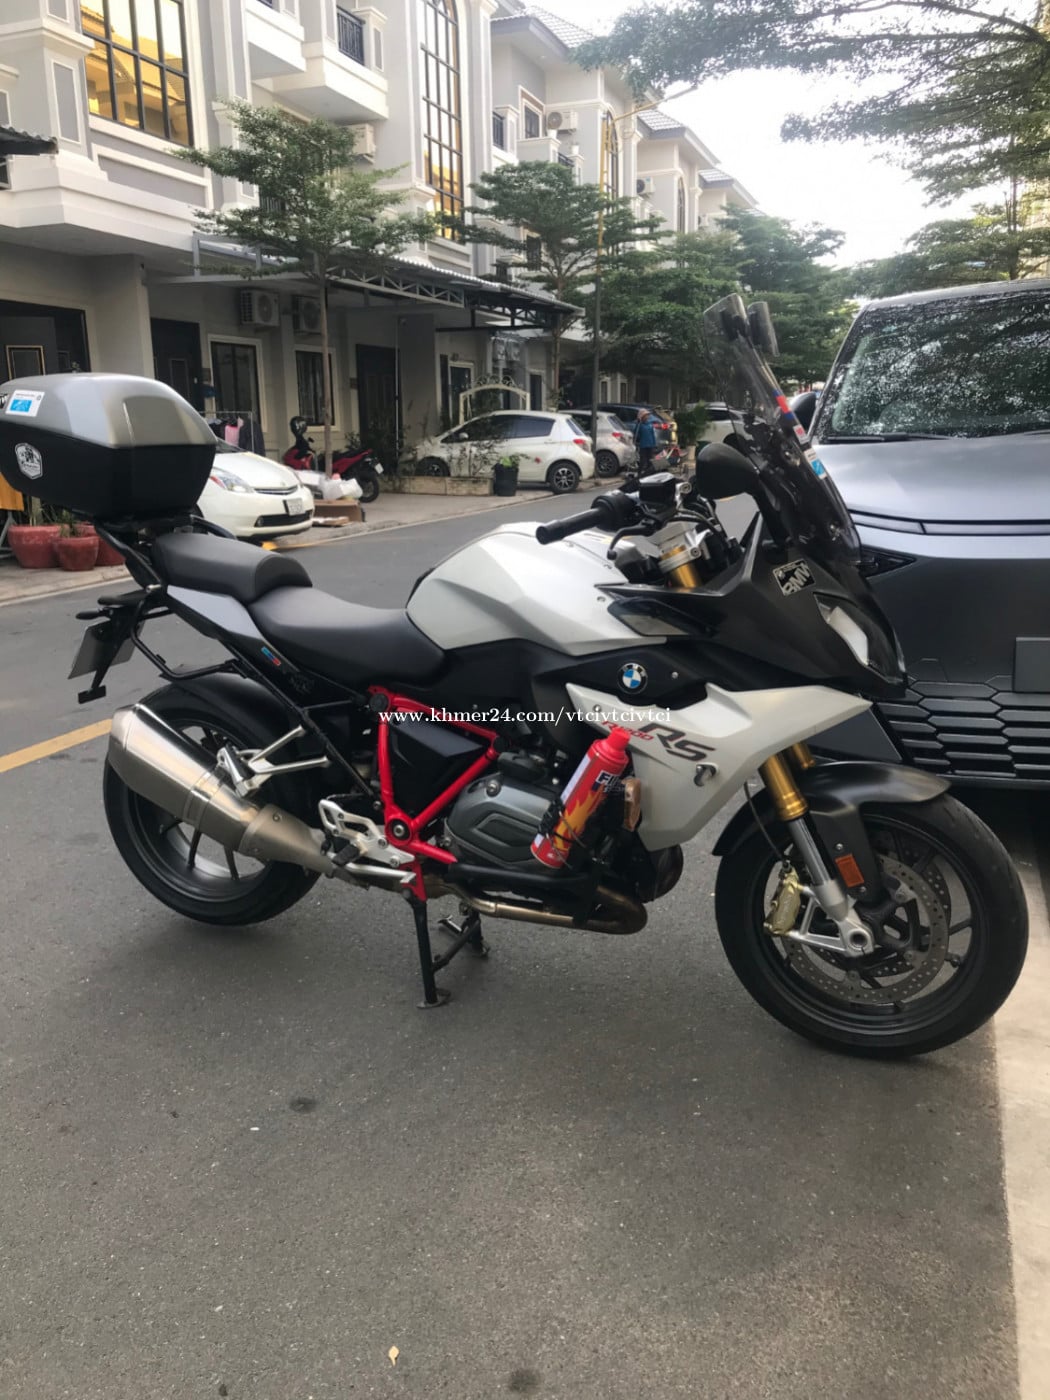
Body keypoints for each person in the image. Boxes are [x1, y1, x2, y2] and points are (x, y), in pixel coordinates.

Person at [633, 408, 658, 475]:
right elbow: (636, 434)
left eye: (647, 415)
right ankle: (639, 473)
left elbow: (652, 435)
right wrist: (638, 423)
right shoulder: (640, 425)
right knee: (642, 461)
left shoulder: (650, 425)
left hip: (650, 445)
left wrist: (654, 444)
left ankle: (648, 473)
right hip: (643, 445)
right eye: (645, 415)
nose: (647, 417)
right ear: (642, 416)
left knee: (650, 460)